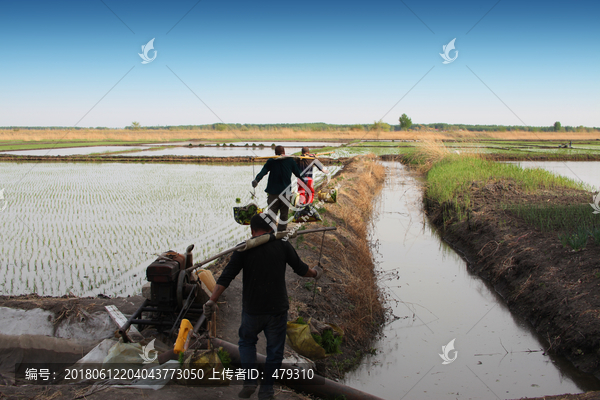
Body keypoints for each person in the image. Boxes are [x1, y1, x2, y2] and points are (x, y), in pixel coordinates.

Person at [203, 214, 322, 400]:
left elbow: (226, 276)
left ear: (252, 230)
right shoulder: (282, 245)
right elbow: (300, 269)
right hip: (277, 309)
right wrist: (315, 273)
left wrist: (212, 300)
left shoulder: (243, 248)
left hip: (253, 309)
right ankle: (267, 391)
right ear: (272, 228)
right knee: (275, 352)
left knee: (246, 343)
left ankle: (250, 381)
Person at [252, 146, 303, 232]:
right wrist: (305, 179)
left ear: (275, 153)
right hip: (286, 193)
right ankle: (281, 231)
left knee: (272, 213)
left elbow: (263, 172)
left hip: (273, 192)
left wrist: (256, 180)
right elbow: (299, 174)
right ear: (284, 152)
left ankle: (271, 230)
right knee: (284, 213)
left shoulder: (271, 161)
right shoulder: (290, 161)